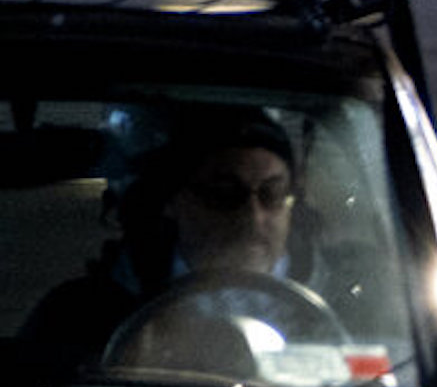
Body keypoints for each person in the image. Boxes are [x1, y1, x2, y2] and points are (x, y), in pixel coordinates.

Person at [20, 106, 317, 370]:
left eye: (273, 194)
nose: (253, 216)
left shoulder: (349, 297)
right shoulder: (83, 315)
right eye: (224, 193)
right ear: (173, 200)